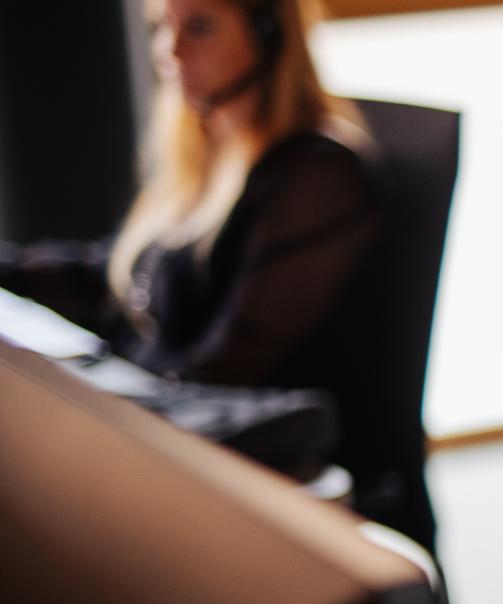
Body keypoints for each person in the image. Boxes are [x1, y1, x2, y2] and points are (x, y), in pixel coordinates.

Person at [0, 0, 439, 558]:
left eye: (199, 28)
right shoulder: (209, 157)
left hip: (288, 504)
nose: (171, 51)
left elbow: (227, 367)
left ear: (268, 32)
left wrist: (106, 398)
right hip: (213, 473)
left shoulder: (317, 176)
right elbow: (112, 274)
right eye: (162, 29)